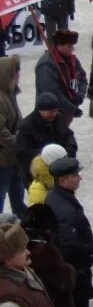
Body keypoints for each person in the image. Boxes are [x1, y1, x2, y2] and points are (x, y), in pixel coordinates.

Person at [44, 157, 93, 307]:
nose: (79, 178)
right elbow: (68, 247)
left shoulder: (60, 197)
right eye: (74, 176)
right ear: (62, 180)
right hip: (75, 271)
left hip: (74, 270)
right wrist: (82, 262)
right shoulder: (64, 209)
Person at [0, 56, 24, 215]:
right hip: (3, 161)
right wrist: (19, 144)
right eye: (16, 71)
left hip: (14, 158)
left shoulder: (10, 93)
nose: (18, 74)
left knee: (18, 200)